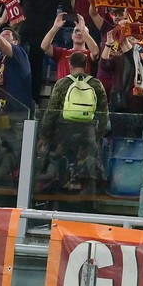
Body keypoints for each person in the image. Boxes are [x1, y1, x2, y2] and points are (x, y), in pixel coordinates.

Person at [39, 50, 109, 210]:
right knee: (88, 172)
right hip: (87, 133)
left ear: (70, 65)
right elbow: (103, 114)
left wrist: (45, 135)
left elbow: (51, 112)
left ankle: (58, 209)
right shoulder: (96, 84)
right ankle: (88, 208)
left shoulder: (62, 83)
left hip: (64, 133)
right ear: (86, 66)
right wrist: (97, 136)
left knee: (61, 168)